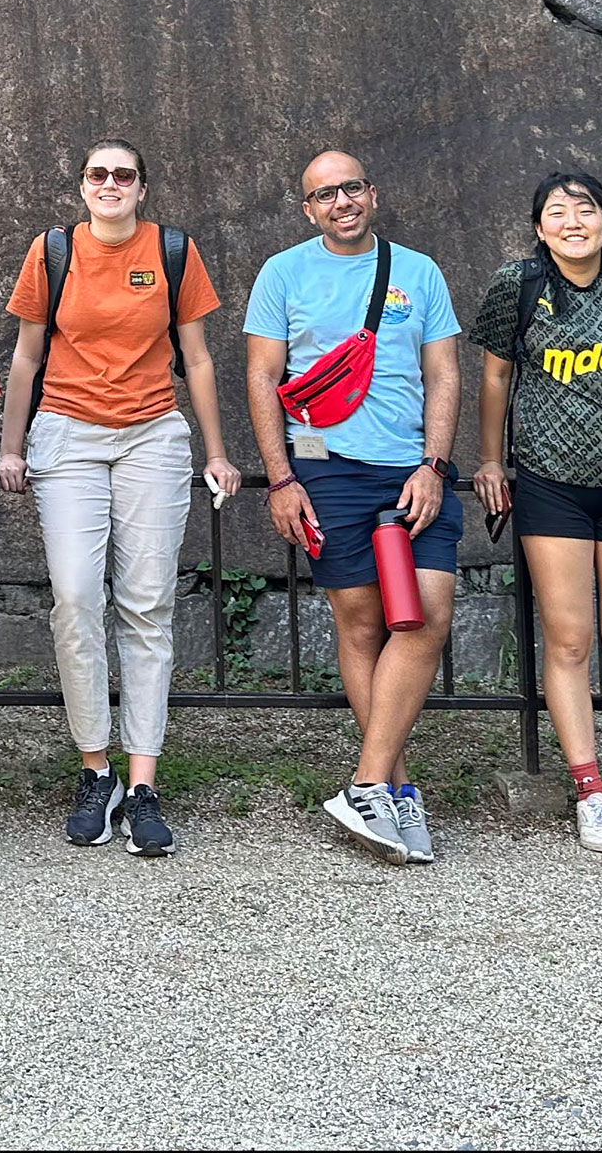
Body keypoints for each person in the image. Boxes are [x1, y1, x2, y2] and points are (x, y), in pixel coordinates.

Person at [0, 139, 241, 856]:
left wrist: (219, 451)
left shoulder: (171, 251)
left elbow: (196, 357)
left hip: (150, 437)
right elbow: (25, 356)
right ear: (82, 185)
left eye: (123, 175)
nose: (110, 184)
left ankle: (143, 784)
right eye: (98, 174)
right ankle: (93, 768)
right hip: (67, 435)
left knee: (146, 603)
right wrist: (11, 447)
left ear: (141, 186)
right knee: (76, 599)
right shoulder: (52, 251)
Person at [244, 149, 464, 869]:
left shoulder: (419, 271)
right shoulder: (283, 273)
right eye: (323, 194)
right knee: (363, 621)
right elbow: (262, 374)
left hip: (409, 470)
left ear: (372, 192)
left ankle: (367, 782)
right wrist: (281, 480)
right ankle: (394, 791)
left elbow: (443, 373)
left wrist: (434, 466)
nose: (340, 201)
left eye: (350, 188)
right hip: (327, 470)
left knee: (426, 615)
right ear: (308, 209)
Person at [471, 171, 602, 857]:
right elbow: (496, 374)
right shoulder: (518, 285)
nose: (571, 221)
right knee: (568, 641)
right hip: (550, 485)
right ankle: (590, 790)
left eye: (583, 210)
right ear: (539, 228)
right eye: (555, 212)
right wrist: (493, 460)